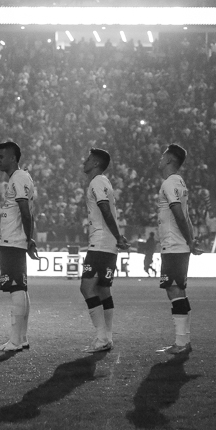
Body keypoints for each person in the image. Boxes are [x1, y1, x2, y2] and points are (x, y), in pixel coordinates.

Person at [0, 140, 37, 352]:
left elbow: (26, 213)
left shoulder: (18, 178)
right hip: (16, 240)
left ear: (12, 158)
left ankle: (15, 341)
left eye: (1, 156)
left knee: (16, 288)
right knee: (21, 288)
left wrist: (28, 239)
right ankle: (22, 338)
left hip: (13, 241)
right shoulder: (20, 178)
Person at [80, 148, 128, 352]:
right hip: (107, 245)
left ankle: (101, 337)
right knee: (102, 289)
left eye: (89, 159)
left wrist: (119, 236)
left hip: (100, 243)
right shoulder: (105, 182)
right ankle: (107, 337)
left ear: (96, 164)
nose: (85, 161)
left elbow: (105, 210)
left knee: (87, 288)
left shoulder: (97, 182)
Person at [155, 143, 199, 355]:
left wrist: (190, 240)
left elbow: (180, 215)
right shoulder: (179, 182)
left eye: (163, 155)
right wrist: (191, 239)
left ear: (169, 160)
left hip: (174, 245)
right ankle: (184, 341)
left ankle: (181, 343)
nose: (160, 159)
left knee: (174, 290)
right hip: (177, 245)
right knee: (178, 290)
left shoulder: (170, 183)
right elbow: (186, 215)